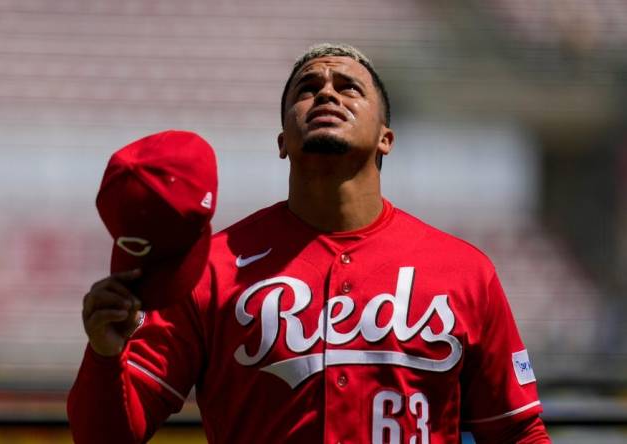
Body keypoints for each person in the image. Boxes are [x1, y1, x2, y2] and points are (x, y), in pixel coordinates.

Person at [68, 43, 551, 443]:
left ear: (387, 137)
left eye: (348, 88)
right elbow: (107, 436)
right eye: (307, 89)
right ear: (282, 141)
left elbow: (517, 430)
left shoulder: (464, 271)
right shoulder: (212, 267)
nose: (326, 93)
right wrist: (105, 354)